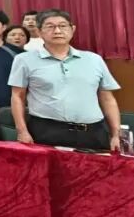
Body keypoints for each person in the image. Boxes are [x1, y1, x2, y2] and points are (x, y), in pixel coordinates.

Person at [9, 9, 122, 150]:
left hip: (93, 132)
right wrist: (22, 131)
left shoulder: (94, 59)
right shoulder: (24, 59)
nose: (57, 31)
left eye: (63, 26)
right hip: (47, 131)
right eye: (50, 26)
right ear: (39, 31)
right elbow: (17, 96)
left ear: (72, 29)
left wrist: (116, 134)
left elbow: (107, 99)